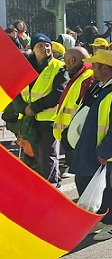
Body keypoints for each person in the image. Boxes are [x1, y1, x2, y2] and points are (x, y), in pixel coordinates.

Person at [70, 50, 112, 240]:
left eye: (95, 66)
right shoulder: (105, 86)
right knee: (97, 186)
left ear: (106, 68)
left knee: (111, 187)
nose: (91, 69)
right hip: (100, 150)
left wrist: (105, 152)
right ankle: (103, 217)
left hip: (110, 154)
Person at [12, 33, 68, 186]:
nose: (45, 48)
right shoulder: (24, 67)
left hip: (47, 120)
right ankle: (44, 187)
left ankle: (52, 188)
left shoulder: (59, 67)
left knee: (47, 157)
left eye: (47, 45)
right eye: (40, 46)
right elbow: (16, 91)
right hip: (28, 120)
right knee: (33, 157)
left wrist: (34, 108)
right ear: (33, 48)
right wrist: (24, 109)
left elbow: (59, 93)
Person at [52, 47, 95, 175]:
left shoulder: (87, 77)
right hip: (73, 131)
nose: (64, 64)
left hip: (77, 133)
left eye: (65, 60)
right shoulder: (81, 75)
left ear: (72, 60)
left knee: (83, 177)